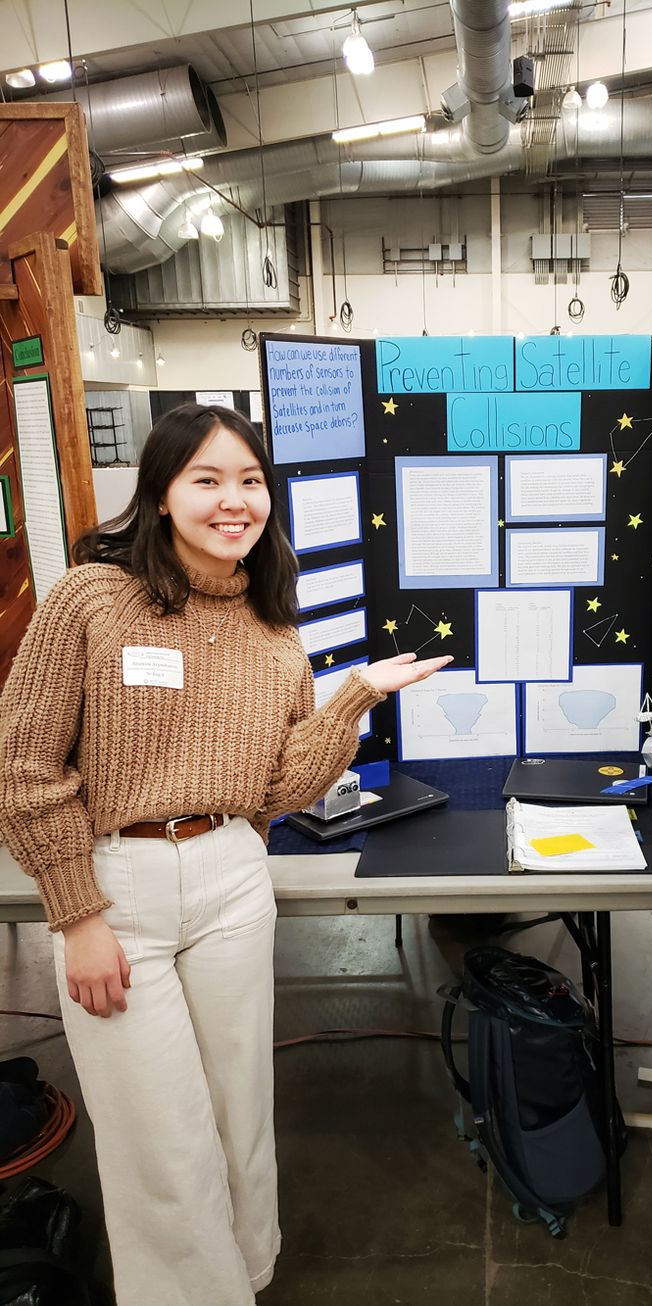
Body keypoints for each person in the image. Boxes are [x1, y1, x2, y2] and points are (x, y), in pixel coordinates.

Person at [0, 403, 451, 1306]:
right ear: (162, 494)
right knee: (157, 1134)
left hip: (234, 877)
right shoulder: (91, 597)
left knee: (240, 1112)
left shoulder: (273, 624)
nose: (233, 500)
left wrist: (354, 697)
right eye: (206, 479)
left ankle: (244, 1273)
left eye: (250, 480)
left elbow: (280, 788)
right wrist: (77, 916)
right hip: (115, 885)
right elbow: (23, 763)